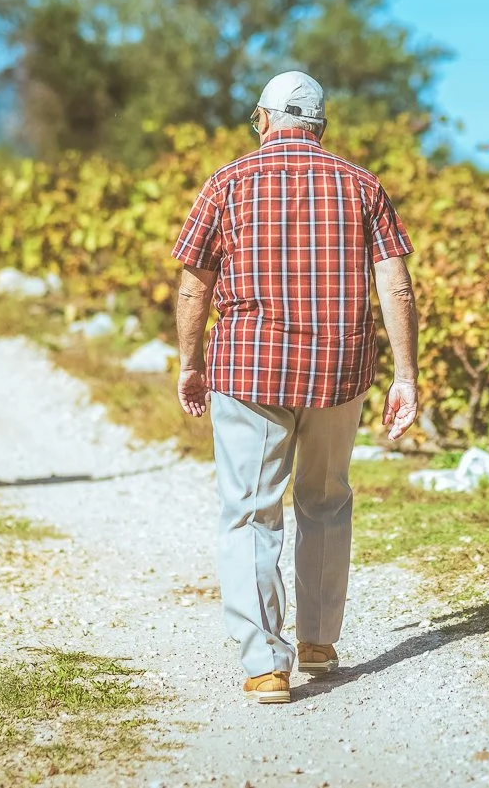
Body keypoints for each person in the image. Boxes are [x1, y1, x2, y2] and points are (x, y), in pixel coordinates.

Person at [172, 71, 420, 704]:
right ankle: (316, 640)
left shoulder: (226, 183)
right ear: (320, 127)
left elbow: (195, 285)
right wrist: (405, 376)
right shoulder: (361, 185)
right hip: (338, 371)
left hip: (250, 370)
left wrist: (190, 362)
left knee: (251, 511)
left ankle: (265, 665)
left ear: (262, 120)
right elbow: (395, 284)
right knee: (327, 499)